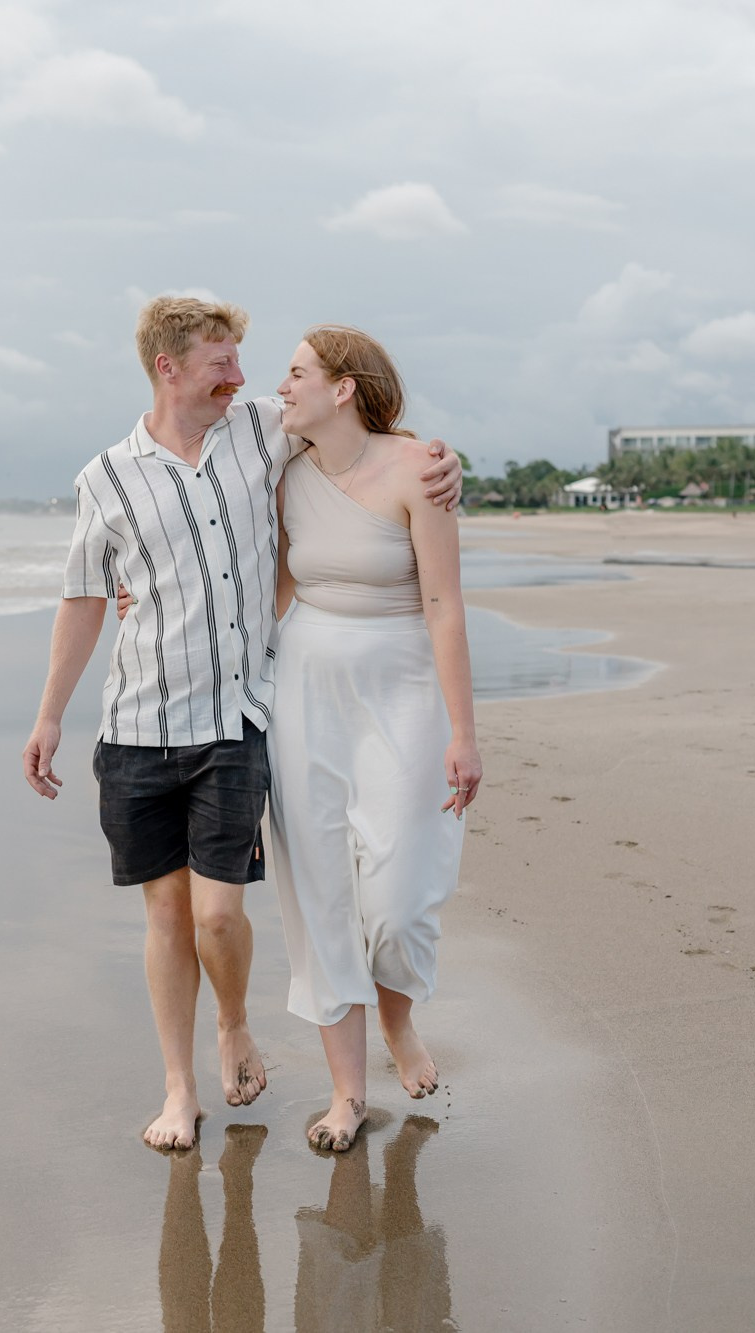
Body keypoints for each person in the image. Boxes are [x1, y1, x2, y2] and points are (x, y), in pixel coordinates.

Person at [22, 297, 464, 1151]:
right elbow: (82, 600)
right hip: (138, 721)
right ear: (170, 367)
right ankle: (179, 1088)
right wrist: (49, 716)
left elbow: (366, 432)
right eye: (222, 362)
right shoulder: (105, 479)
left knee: (218, 917)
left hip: (237, 719)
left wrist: (446, 460)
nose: (242, 376)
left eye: (244, 361)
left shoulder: (265, 431)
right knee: (166, 916)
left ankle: (233, 1022)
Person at [268, 326, 481, 1152]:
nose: (281, 388)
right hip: (305, 691)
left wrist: (464, 729)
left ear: (345, 386)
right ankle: (347, 1094)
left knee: (396, 897)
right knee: (321, 890)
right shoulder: (284, 473)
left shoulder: (419, 467)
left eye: (295, 374)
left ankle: (398, 1015)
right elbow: (272, 583)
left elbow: (444, 604)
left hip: (402, 692)